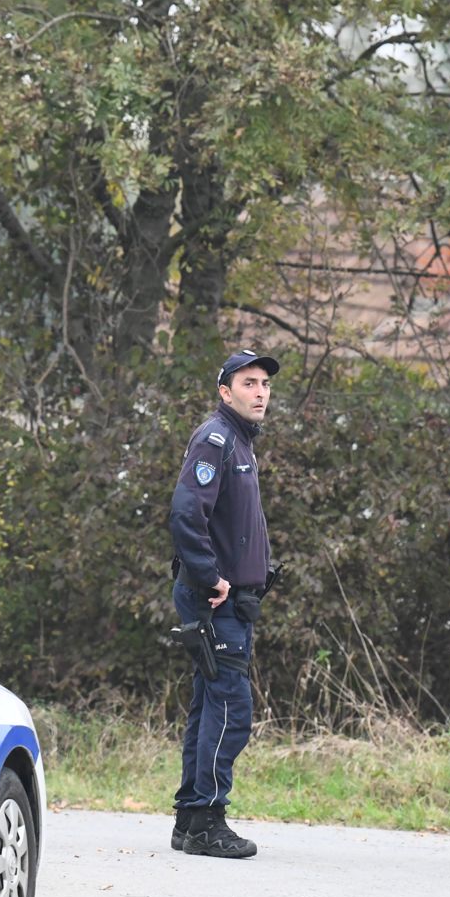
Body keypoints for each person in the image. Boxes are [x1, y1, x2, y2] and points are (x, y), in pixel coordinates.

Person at [166, 348, 278, 860]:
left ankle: (191, 820)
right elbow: (187, 510)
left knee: (209, 703)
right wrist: (211, 576)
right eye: (249, 383)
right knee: (231, 706)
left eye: (264, 385)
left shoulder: (240, 443)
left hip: (234, 601)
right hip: (215, 601)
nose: (260, 392)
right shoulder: (216, 439)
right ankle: (209, 818)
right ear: (225, 391)